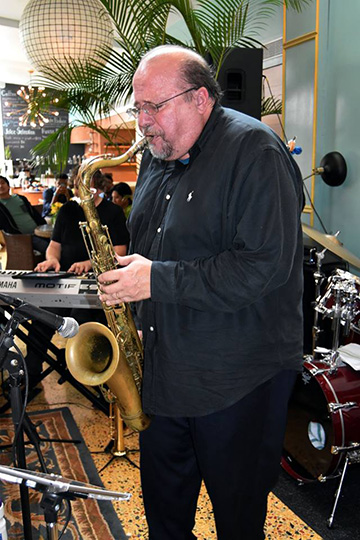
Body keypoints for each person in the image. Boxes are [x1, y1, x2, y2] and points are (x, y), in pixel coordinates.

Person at [98, 45, 304, 540]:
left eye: (155, 106)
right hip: (166, 373)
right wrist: (128, 281)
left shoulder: (255, 151)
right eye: (138, 106)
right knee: (165, 520)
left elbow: (262, 267)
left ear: (201, 99)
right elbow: (150, 244)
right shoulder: (157, 155)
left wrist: (156, 279)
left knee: (238, 520)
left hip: (238, 379)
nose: (143, 122)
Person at [24, 172, 130, 386]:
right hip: (66, 281)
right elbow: (54, 247)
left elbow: (120, 251)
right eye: (76, 183)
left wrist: (89, 263)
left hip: (97, 283)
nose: (78, 187)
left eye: (85, 182)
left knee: (81, 321)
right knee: (40, 321)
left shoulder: (113, 212)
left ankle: (89, 377)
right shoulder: (67, 210)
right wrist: (52, 261)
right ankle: (30, 376)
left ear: (96, 184)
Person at [0, 175, 48, 254]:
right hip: (22, 238)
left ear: (8, 186)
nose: (1, 186)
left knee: (59, 242)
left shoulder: (21, 198)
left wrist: (43, 226)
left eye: (3, 183)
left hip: (39, 231)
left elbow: (34, 213)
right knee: (47, 247)